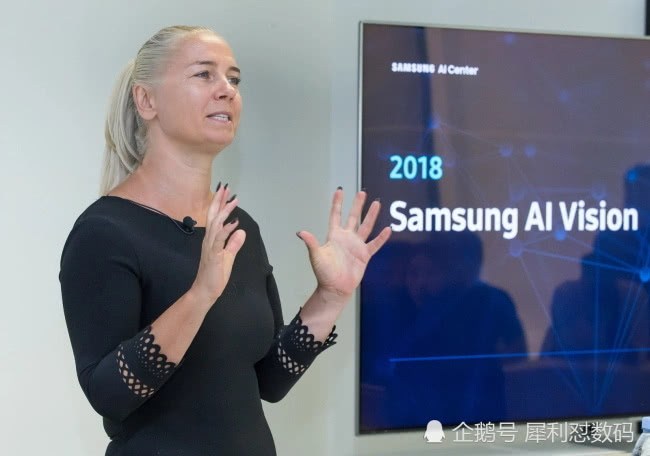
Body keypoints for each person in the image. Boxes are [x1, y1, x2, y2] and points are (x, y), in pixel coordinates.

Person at [59, 25, 391, 456]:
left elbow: (270, 381)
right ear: (146, 100)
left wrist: (329, 297)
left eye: (233, 79)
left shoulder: (237, 226)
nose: (226, 90)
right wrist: (200, 295)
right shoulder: (104, 232)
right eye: (204, 74)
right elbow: (109, 395)